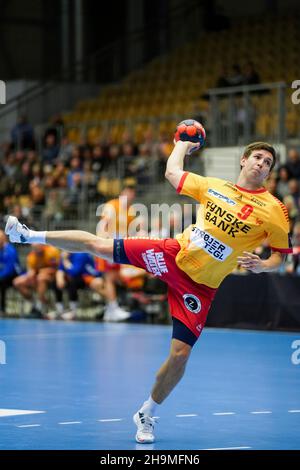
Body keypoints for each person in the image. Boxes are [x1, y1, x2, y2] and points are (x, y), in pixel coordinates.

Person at [5, 140, 292, 443]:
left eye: (268, 162)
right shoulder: (214, 186)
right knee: (98, 245)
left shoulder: (274, 210)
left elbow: (279, 255)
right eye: (257, 157)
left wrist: (263, 265)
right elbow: (172, 172)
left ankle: (147, 413)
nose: (261, 164)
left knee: (180, 356)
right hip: (171, 256)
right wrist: (182, 144)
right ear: (244, 161)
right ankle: (28, 234)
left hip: (200, 287)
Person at [0, 230, 22, 316]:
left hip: (14, 275)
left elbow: (9, 269)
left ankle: (2, 308)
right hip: (2, 275)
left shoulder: (10, 250)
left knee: (2, 282)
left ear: (4, 238)